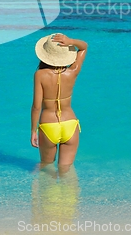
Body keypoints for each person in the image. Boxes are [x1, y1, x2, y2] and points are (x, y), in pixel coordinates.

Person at [31, 33, 88, 167]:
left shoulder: (40, 75)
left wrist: (33, 130)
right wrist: (71, 41)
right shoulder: (73, 71)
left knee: (46, 167)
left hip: (48, 125)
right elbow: (84, 47)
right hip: (70, 124)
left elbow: (36, 106)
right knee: (66, 170)